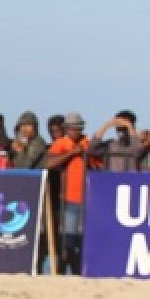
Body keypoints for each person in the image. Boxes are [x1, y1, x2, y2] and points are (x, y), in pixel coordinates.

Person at [45, 112, 94, 274]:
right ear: (66, 129)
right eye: (72, 128)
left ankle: (78, 270)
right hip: (69, 198)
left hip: (88, 198)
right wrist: (71, 153)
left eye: (78, 128)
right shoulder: (60, 143)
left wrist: (88, 154)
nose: (75, 131)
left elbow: (97, 164)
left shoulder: (87, 143)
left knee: (83, 239)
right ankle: (63, 270)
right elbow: (49, 163)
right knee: (68, 239)